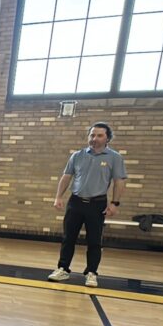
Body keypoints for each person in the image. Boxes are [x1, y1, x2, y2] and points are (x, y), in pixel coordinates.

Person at [48, 122, 128, 288]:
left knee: (94, 241)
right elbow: (66, 176)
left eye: (99, 135)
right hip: (75, 202)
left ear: (107, 138)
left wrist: (115, 203)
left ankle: (91, 273)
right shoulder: (77, 155)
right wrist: (58, 197)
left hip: (97, 204)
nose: (94, 138)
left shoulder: (114, 158)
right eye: (92, 135)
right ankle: (63, 269)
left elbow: (119, 181)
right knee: (68, 238)